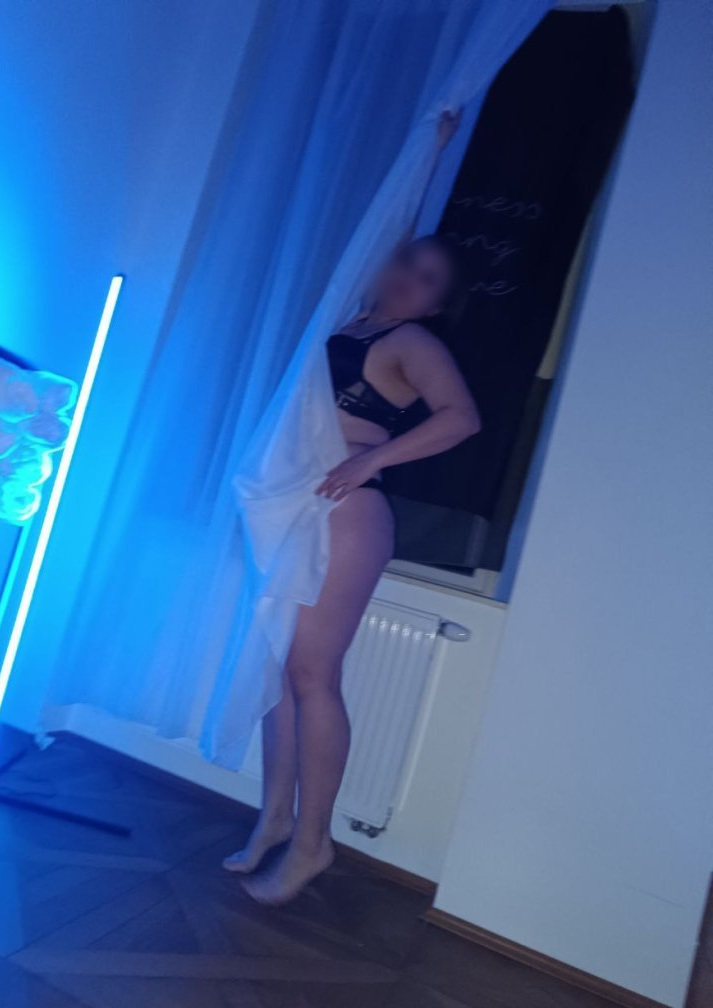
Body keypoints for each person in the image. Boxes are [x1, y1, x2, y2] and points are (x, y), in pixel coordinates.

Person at [224, 111, 481, 905]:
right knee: (278, 669)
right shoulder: (349, 319)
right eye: (407, 263)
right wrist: (428, 153)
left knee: (312, 672)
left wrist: (373, 456)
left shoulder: (412, 343)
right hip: (292, 508)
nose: (408, 278)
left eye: (427, 280)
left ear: (437, 305)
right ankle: (274, 818)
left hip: (349, 510)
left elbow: (462, 419)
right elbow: (385, 227)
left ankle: (313, 844)